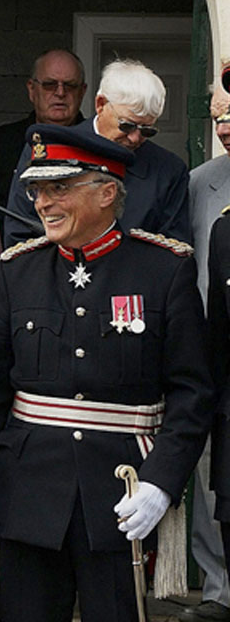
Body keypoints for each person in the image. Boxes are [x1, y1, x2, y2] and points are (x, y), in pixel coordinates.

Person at [0, 123, 214, 622]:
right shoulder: (19, 270)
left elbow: (191, 392)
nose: (42, 203)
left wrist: (161, 482)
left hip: (119, 494)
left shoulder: (164, 270)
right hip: (29, 491)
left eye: (58, 188)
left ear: (106, 191)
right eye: (36, 190)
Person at [4, 59, 191, 249]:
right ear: (100, 104)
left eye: (147, 130)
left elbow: (173, 255)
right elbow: (20, 232)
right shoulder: (52, 148)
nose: (135, 138)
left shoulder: (168, 171)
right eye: (127, 125)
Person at [181, 90, 230, 622]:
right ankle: (219, 589)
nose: (224, 126)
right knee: (215, 474)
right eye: (219, 117)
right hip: (214, 352)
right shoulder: (200, 183)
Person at [0, 49, 87, 210]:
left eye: (70, 85)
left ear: (82, 92)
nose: (60, 93)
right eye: (50, 85)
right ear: (32, 89)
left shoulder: (97, 143)